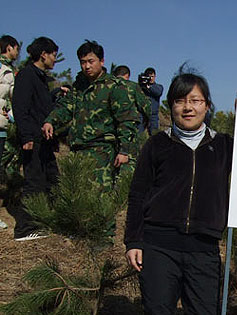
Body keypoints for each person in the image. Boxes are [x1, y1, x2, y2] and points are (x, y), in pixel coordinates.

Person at [124, 71, 232, 315]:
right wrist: (133, 241)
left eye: (196, 100)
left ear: (207, 105)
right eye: (181, 100)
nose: (188, 107)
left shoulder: (224, 147)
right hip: (159, 247)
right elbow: (138, 194)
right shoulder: (157, 145)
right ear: (171, 105)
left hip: (203, 248)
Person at [42, 40, 139, 189]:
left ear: (101, 61)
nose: (86, 66)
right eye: (82, 62)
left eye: (91, 61)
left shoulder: (114, 87)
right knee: (78, 199)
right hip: (78, 151)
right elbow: (66, 107)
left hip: (102, 153)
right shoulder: (79, 86)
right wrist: (50, 121)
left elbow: (127, 120)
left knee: (100, 201)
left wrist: (124, 151)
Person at [11, 37, 63, 241]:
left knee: (52, 181)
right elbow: (21, 107)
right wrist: (26, 136)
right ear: (44, 54)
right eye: (53, 55)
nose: (54, 60)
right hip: (32, 138)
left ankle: (44, 221)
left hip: (44, 140)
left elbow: (40, 106)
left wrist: (56, 93)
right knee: (34, 182)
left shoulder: (40, 78)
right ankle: (24, 229)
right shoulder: (26, 75)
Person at [0, 34, 20, 230]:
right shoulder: (3, 69)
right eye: (16, 49)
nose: (17, 53)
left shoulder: (10, 70)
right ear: (9, 48)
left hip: (3, 126)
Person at [113, 64, 151, 137]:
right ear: (127, 75)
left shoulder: (107, 86)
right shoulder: (133, 86)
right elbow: (145, 106)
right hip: (129, 125)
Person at [140, 67, 163, 135]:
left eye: (152, 76)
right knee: (139, 134)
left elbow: (158, 92)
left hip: (153, 114)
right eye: (149, 76)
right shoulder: (140, 87)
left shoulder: (158, 86)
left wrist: (149, 87)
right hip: (142, 114)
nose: (151, 78)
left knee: (154, 134)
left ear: (155, 76)